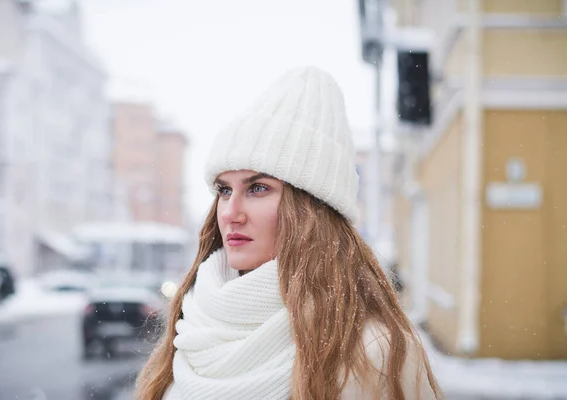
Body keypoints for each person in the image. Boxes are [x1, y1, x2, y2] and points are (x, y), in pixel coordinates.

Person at [135, 66, 441, 400]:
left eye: (258, 188)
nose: (230, 213)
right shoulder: (192, 322)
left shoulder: (374, 353)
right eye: (224, 190)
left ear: (311, 211)